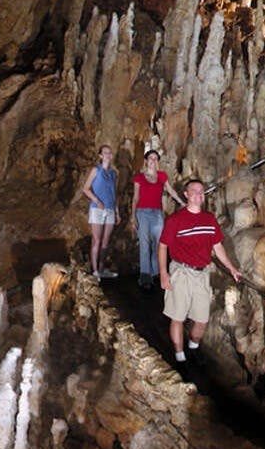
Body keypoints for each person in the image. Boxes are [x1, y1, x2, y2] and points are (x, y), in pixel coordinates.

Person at [158, 179, 241, 367]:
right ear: (186, 195)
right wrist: (163, 273)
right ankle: (179, 355)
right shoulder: (176, 220)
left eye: (201, 192)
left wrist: (231, 268)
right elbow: (163, 246)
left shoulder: (209, 219)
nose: (198, 194)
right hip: (181, 271)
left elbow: (217, 247)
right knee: (177, 316)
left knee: (202, 319)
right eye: (194, 191)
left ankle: (193, 348)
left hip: (202, 274)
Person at [130, 149, 183, 292]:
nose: (153, 161)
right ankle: (145, 276)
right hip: (142, 213)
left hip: (157, 213)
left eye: (155, 158)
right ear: (146, 161)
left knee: (159, 245)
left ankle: (156, 273)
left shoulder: (162, 176)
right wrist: (132, 216)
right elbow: (135, 198)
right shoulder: (139, 178)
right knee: (145, 244)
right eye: (150, 158)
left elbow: (171, 191)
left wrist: (182, 203)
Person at [81, 145, 119, 278]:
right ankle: (95, 270)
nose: (108, 155)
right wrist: (97, 201)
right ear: (100, 156)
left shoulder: (113, 173)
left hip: (110, 210)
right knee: (96, 240)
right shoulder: (95, 170)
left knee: (106, 241)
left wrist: (117, 211)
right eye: (105, 153)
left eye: (110, 152)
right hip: (97, 209)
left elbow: (114, 193)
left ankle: (102, 269)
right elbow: (85, 188)